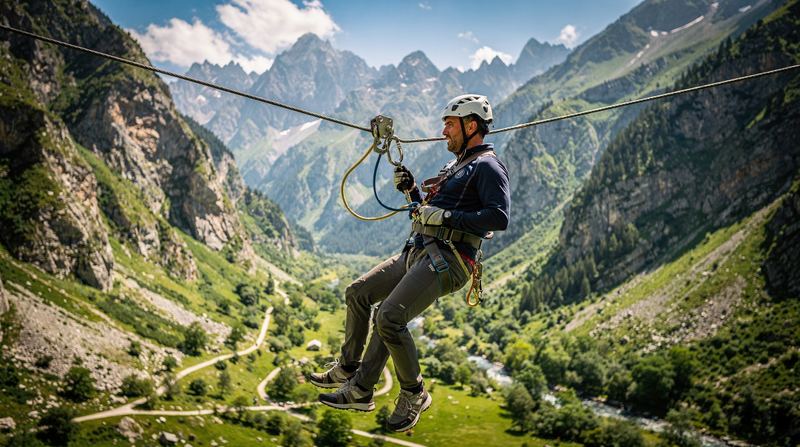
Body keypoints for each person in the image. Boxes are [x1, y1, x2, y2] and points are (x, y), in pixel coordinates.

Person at [308, 94, 510, 432]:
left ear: (471, 125)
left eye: (449, 124)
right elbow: (429, 211)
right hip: (418, 250)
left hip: (449, 259)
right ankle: (350, 374)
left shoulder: (487, 165)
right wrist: (414, 191)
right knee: (357, 292)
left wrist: (444, 214)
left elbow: (498, 216)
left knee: (388, 316)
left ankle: (412, 393)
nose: (443, 130)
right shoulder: (456, 166)